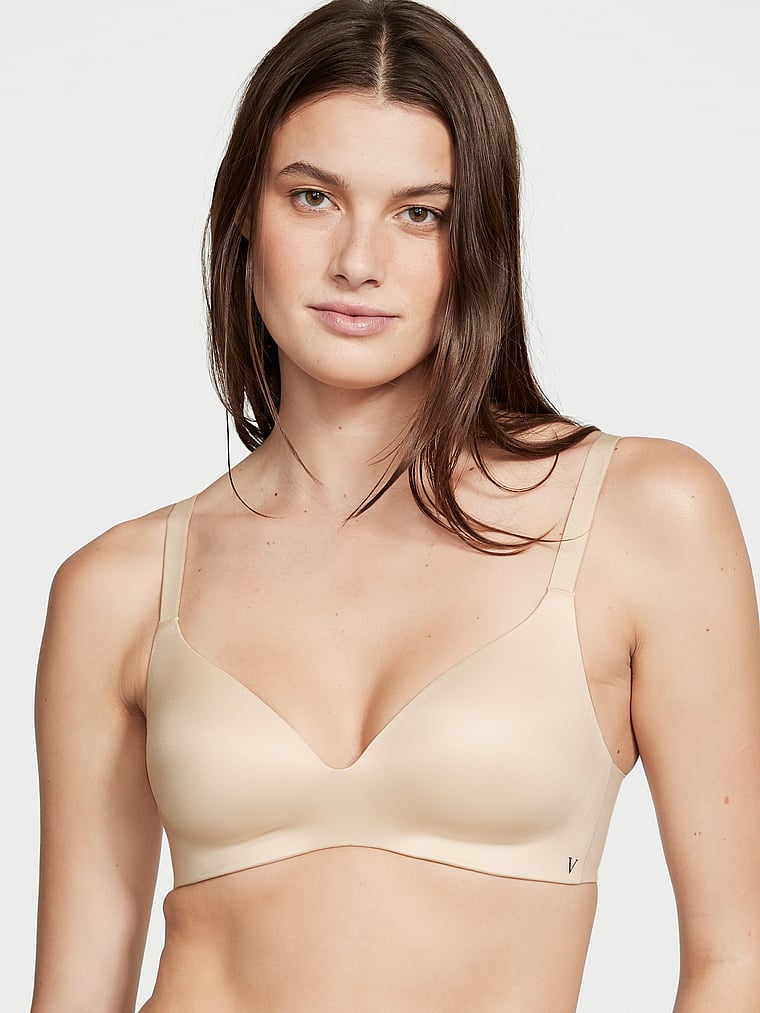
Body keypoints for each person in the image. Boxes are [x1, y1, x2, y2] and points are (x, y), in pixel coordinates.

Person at [31, 0, 760, 1010]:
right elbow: (75, 989)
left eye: (420, 212)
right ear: (245, 213)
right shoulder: (115, 589)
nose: (358, 261)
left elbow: (736, 958)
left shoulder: (640, 519)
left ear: (478, 239)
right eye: (313, 197)